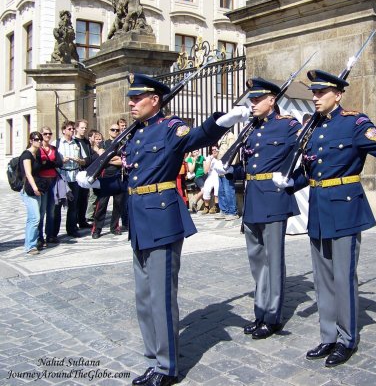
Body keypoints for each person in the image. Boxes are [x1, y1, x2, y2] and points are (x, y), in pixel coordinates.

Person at [77, 73, 248, 386]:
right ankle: (153, 360)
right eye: (130, 98)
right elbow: (132, 179)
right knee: (143, 296)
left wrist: (221, 121)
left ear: (154, 100)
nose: (130, 103)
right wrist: (97, 180)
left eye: (136, 98)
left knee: (161, 296)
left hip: (163, 220)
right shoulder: (135, 135)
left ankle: (167, 368)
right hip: (140, 221)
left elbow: (196, 137)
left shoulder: (171, 128)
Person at [274, 69, 376, 367]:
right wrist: (290, 183)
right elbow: (310, 170)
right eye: (314, 93)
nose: (316, 97)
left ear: (338, 94)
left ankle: (347, 339)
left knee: (343, 276)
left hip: (345, 207)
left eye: (322, 92)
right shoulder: (312, 127)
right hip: (319, 208)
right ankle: (328, 335)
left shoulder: (355, 123)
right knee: (322, 278)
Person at [228, 77, 301, 341]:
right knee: (257, 261)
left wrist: (294, 182)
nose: (253, 103)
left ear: (272, 100)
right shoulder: (250, 128)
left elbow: (310, 154)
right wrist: (228, 171)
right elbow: (247, 167)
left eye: (258, 99)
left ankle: (272, 316)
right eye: (252, 99)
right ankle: (260, 311)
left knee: (273, 261)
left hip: (274, 200)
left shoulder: (289, 126)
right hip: (252, 201)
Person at [53, 121, 88, 238]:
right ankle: (53, 233)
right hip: (62, 177)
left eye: (73, 129)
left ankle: (72, 229)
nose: (72, 131)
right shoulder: (57, 143)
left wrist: (78, 160)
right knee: (57, 206)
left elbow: (84, 160)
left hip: (74, 177)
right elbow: (53, 161)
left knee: (73, 205)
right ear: (63, 130)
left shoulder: (76, 143)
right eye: (69, 129)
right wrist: (62, 161)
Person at [91, 124, 125, 239]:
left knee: (118, 204)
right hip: (105, 177)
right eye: (113, 130)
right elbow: (102, 156)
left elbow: (122, 161)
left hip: (118, 176)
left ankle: (115, 227)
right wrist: (113, 158)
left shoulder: (122, 144)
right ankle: (97, 229)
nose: (115, 131)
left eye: (117, 130)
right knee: (101, 205)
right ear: (109, 131)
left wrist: (109, 159)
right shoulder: (103, 144)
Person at [20, 132, 46, 255]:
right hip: (29, 189)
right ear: (31, 140)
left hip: (37, 189)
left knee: (35, 217)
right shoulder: (27, 155)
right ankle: (30, 246)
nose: (39, 141)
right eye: (36, 139)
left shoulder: (37, 154)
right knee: (35, 217)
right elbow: (28, 173)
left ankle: (32, 243)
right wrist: (35, 188)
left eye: (40, 139)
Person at [37, 126, 63, 248]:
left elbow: (59, 162)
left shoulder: (54, 148)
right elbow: (38, 166)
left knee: (51, 210)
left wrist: (47, 163)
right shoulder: (38, 149)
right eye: (45, 133)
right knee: (41, 211)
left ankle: (50, 235)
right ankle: (39, 237)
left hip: (53, 181)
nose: (48, 136)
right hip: (42, 182)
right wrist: (50, 164)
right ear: (41, 135)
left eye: (50, 134)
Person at [216, 130, 239, 220]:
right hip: (220, 166)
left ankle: (232, 212)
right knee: (221, 190)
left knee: (228, 190)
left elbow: (233, 151)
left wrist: (229, 166)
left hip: (226, 166)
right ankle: (224, 210)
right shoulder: (222, 136)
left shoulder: (230, 136)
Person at [75, 119, 93, 230]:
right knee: (76, 198)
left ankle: (82, 220)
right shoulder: (74, 141)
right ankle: (75, 221)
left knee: (84, 197)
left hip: (86, 170)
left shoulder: (86, 141)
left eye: (85, 128)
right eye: (82, 128)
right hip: (77, 171)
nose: (84, 130)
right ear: (77, 128)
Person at [85, 130, 104, 223]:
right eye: (97, 139)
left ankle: (95, 214)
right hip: (93, 174)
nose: (99, 141)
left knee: (98, 196)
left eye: (100, 139)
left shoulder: (103, 148)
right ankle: (89, 215)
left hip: (102, 173)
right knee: (93, 195)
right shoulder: (91, 149)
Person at [199, 146, 221, 214]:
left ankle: (216, 206)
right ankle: (207, 207)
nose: (214, 151)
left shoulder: (220, 157)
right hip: (210, 175)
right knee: (206, 188)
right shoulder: (208, 158)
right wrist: (210, 160)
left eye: (215, 149)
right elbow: (205, 171)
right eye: (212, 150)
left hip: (218, 175)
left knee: (217, 188)